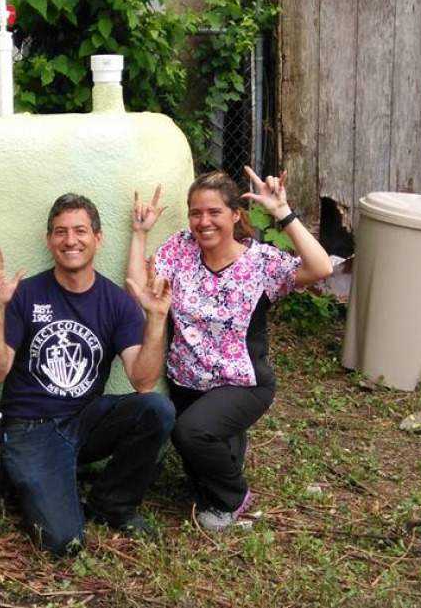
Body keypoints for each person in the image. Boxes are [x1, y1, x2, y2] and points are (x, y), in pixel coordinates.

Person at [127, 168, 333, 533]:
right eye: (196, 213)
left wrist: (283, 212)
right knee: (197, 478)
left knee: (190, 434)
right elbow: (139, 289)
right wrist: (140, 234)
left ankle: (235, 498)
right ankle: (229, 447)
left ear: (236, 214)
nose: (203, 222)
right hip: (187, 383)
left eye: (214, 212)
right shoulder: (180, 249)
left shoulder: (260, 264)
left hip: (243, 383)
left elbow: (321, 267)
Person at [0, 193, 174, 556]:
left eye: (80, 231)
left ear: (98, 238)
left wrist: (156, 321)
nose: (70, 241)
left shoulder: (117, 302)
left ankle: (111, 504)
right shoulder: (25, 294)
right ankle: (31, 485)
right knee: (64, 543)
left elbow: (143, 381)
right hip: (29, 428)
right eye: (60, 232)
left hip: (83, 420)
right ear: (50, 240)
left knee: (157, 409)